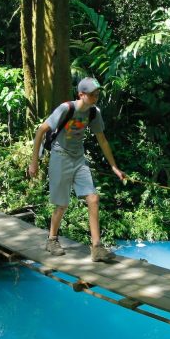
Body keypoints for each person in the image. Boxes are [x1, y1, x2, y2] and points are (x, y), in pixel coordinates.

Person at [28, 77, 125, 262]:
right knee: (62, 204)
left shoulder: (94, 112)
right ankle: (52, 240)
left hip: (79, 158)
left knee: (93, 198)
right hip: (60, 156)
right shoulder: (66, 108)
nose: (95, 98)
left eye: (97, 94)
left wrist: (114, 167)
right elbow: (41, 130)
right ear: (81, 94)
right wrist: (34, 162)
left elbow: (102, 139)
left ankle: (97, 248)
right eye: (92, 95)